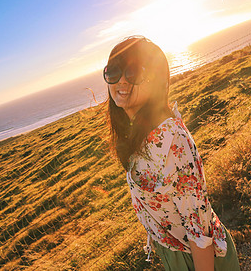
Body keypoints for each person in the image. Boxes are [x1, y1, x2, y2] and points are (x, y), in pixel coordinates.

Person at [103, 36, 240, 270]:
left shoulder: (171, 139)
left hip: (200, 260)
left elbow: (199, 230)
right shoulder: (139, 133)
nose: (122, 81)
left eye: (133, 72)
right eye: (114, 72)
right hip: (176, 253)